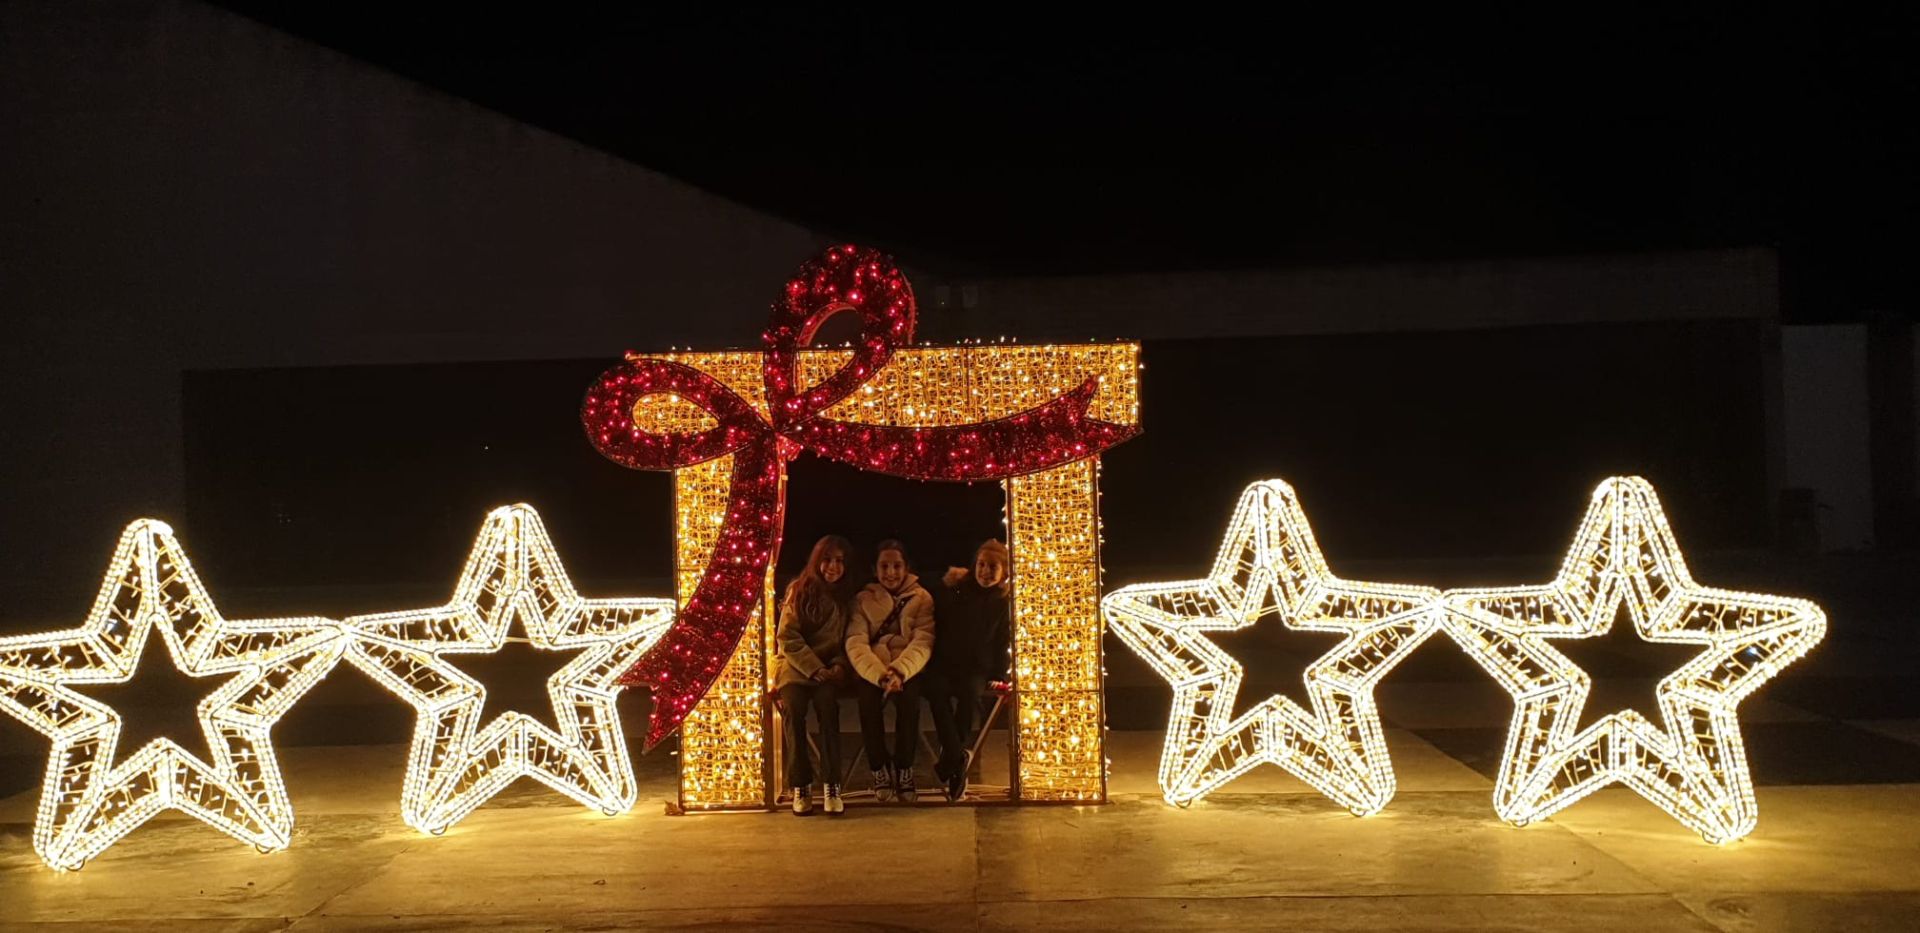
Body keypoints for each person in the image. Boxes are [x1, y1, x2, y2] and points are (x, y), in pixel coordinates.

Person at [844, 539, 935, 802]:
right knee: (867, 703)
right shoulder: (862, 600)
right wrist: (879, 674)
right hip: (872, 667)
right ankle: (878, 767)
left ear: (907, 567)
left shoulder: (921, 598)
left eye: (897, 565)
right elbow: (856, 641)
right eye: (885, 566)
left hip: (907, 667)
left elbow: (923, 640)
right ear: (875, 569)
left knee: (910, 702)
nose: (891, 572)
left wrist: (899, 672)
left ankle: (904, 767)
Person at [774, 535, 856, 816]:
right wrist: (814, 667)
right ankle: (801, 784)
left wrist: (838, 666)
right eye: (828, 559)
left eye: (840, 561)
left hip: (829, 671)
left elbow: (850, 638)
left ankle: (833, 783)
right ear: (816, 561)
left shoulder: (847, 597)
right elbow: (787, 636)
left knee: (828, 709)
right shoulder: (799, 590)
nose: (833, 567)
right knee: (793, 710)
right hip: (797, 668)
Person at [926, 539, 1012, 801]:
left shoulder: (1003, 602)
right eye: (982, 564)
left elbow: (1002, 640)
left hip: (977, 668)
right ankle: (957, 755)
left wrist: (999, 673)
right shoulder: (958, 589)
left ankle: (951, 763)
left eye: (992, 567)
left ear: (1004, 572)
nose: (985, 571)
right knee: (935, 692)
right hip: (945, 662)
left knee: (968, 697)